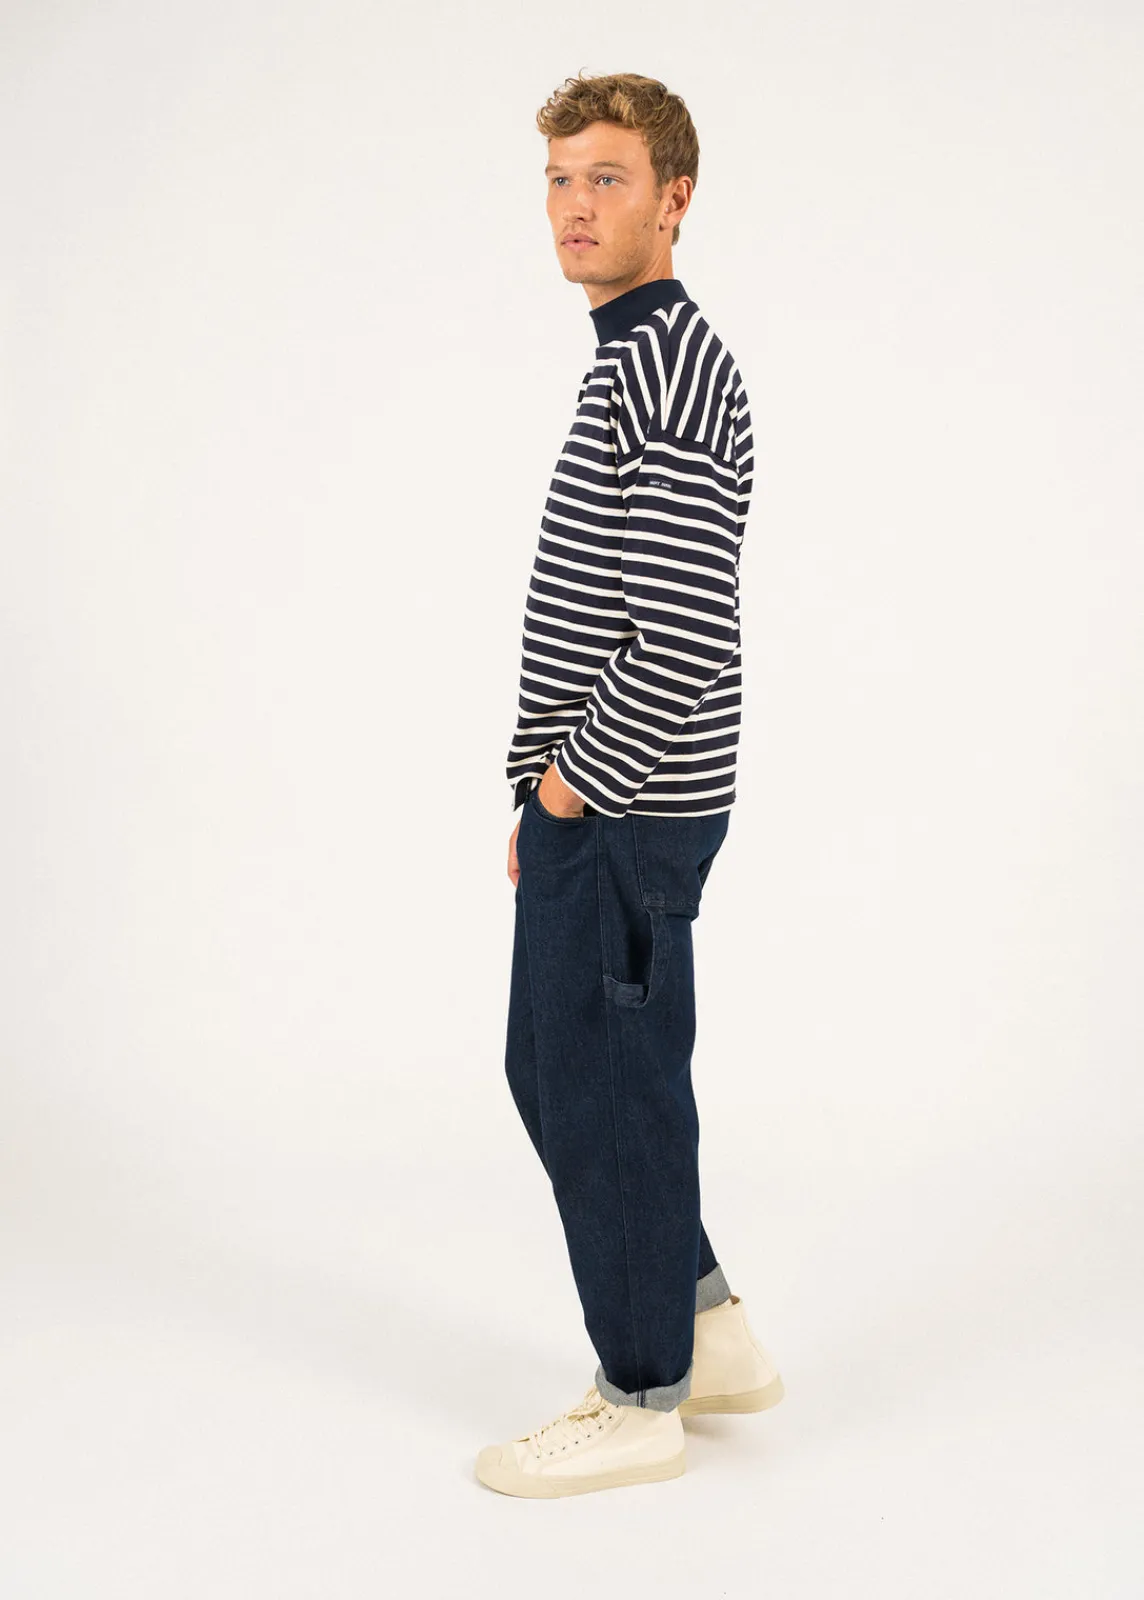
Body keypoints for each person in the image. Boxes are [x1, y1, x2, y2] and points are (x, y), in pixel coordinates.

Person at [476, 72, 784, 1500]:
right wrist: (545, 794)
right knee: (571, 1070)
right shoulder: (636, 357)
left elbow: (679, 632)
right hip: (608, 802)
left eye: (606, 178)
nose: (574, 207)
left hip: (628, 803)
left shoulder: (664, 365)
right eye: (558, 179)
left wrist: (568, 793)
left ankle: (641, 1390)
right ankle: (705, 1329)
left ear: (675, 198)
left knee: (601, 1083)